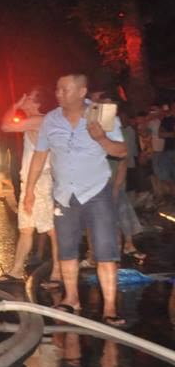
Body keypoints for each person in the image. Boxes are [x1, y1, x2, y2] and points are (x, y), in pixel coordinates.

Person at [23, 74, 128, 328]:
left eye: (65, 89)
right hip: (63, 194)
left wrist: (101, 138)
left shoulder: (101, 115)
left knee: (105, 250)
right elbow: (40, 155)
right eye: (57, 89)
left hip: (96, 191)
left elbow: (122, 151)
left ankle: (110, 308)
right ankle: (72, 299)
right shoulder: (51, 119)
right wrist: (29, 190)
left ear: (82, 91)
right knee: (67, 249)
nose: (59, 93)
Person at [0, 87, 62, 284]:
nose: (23, 98)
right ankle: (17, 270)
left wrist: (15, 106)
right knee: (27, 228)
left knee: (52, 229)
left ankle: (58, 272)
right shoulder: (37, 121)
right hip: (33, 181)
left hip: (40, 181)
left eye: (29, 97)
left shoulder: (40, 120)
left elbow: (6, 126)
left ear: (37, 103)